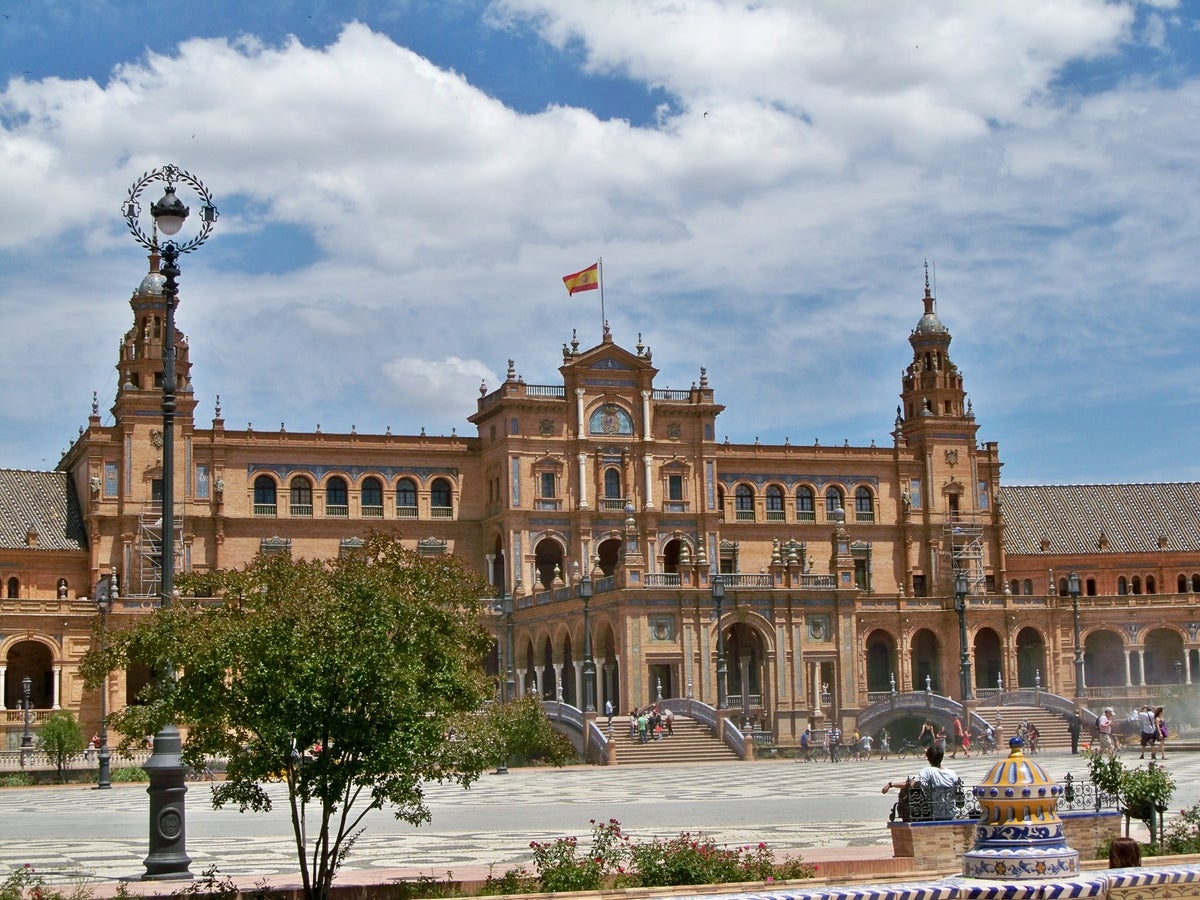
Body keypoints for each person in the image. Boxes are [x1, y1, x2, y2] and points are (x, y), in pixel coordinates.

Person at [881, 745, 958, 820]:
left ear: (928, 758)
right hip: (951, 813)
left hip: (934, 813)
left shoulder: (927, 771)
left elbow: (910, 784)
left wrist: (891, 784)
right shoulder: (952, 773)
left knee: (908, 791)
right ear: (941, 757)